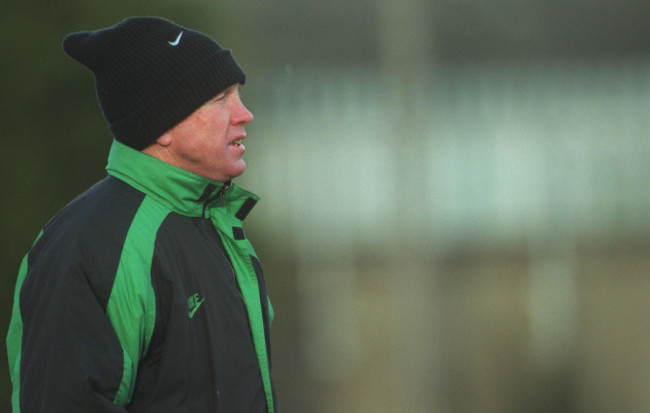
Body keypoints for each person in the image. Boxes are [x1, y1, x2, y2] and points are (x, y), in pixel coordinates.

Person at [6, 16, 278, 412]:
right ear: (162, 123)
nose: (244, 113)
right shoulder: (90, 246)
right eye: (221, 98)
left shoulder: (219, 228)